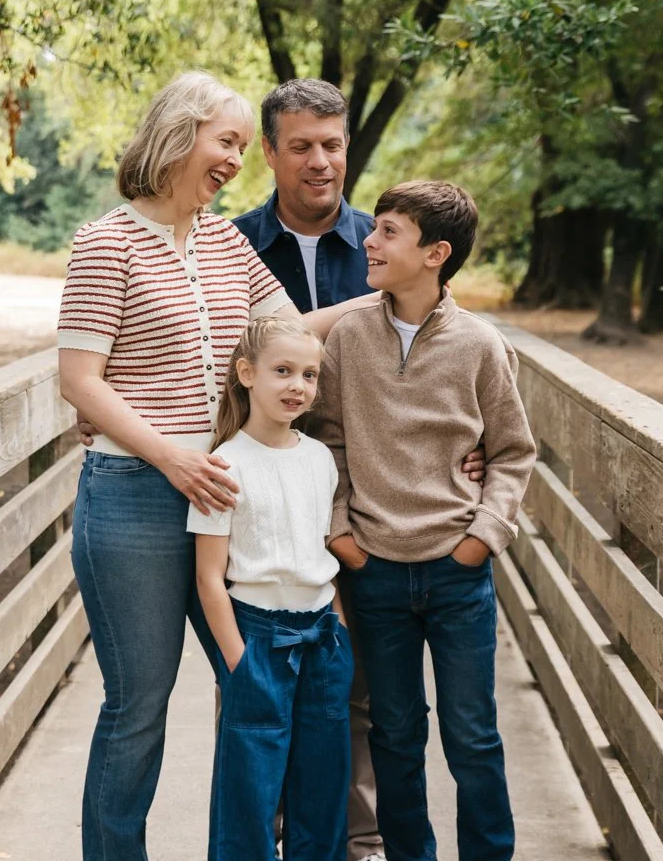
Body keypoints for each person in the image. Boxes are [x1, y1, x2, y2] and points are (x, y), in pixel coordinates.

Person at [56, 71, 370, 861]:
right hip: (132, 497)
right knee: (139, 706)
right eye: (225, 141)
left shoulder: (226, 242)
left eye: (238, 145)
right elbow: (80, 379)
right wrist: (173, 458)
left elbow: (293, 334)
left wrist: (398, 303)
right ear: (178, 134)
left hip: (226, 496)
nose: (234, 159)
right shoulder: (106, 242)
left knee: (255, 686)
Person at [233, 79, 488, 861]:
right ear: (269, 152)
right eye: (301, 146)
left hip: (368, 500)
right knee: (258, 670)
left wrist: (463, 455)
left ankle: (357, 837)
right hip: (264, 495)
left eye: (333, 145)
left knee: (363, 686)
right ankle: (266, 829)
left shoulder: (387, 241)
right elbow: (218, 353)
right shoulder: (231, 247)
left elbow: (442, 347)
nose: (320, 161)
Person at [317, 180, 538, 861]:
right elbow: (329, 441)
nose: (369, 240)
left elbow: (512, 452)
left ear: (435, 253)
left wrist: (482, 538)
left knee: (472, 736)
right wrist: (342, 535)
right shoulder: (349, 337)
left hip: (456, 574)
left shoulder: (480, 345)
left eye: (389, 231)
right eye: (375, 227)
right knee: (395, 735)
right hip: (375, 571)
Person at [190, 314, 354, 861]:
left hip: (323, 637)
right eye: (282, 371)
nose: (297, 386)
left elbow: (320, 553)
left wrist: (339, 630)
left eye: (309, 375)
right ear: (247, 374)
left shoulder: (318, 459)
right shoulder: (224, 465)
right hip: (258, 637)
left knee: (323, 785)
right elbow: (209, 577)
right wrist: (239, 662)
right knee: (250, 789)